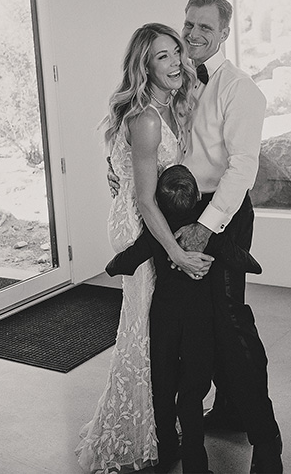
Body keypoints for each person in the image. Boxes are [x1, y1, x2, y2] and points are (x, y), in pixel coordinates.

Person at [75, 23, 212, 473]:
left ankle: (157, 417)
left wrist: (113, 170)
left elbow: (119, 156)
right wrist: (177, 253)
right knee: (144, 324)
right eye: (162, 57)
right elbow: (144, 199)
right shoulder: (149, 117)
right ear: (144, 65)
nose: (175, 63)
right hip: (140, 225)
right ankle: (140, 426)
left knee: (154, 325)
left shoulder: (169, 105)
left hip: (146, 212)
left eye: (176, 52)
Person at [177, 0, 283, 473]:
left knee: (231, 321)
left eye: (206, 27)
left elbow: (242, 170)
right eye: (190, 24)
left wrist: (205, 225)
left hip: (223, 212)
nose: (195, 34)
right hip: (183, 209)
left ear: (223, 34)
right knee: (202, 323)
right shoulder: (174, 79)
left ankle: (267, 441)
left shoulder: (240, 88)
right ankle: (229, 411)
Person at [105, 164, 263, 473]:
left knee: (162, 388)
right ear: (196, 203)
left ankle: (166, 451)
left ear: (159, 203)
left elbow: (125, 261)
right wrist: (253, 265)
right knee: (192, 392)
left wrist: (110, 267)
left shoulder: (156, 235)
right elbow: (242, 259)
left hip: (164, 319)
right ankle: (195, 463)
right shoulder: (205, 238)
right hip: (198, 324)